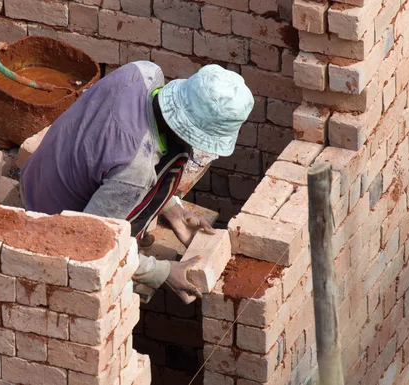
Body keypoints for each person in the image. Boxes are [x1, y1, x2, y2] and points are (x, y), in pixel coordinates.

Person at [20, 61, 254, 303]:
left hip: (38, 177)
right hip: (52, 223)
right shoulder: (135, 171)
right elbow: (89, 242)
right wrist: (161, 272)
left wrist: (174, 211)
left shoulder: (143, 72)